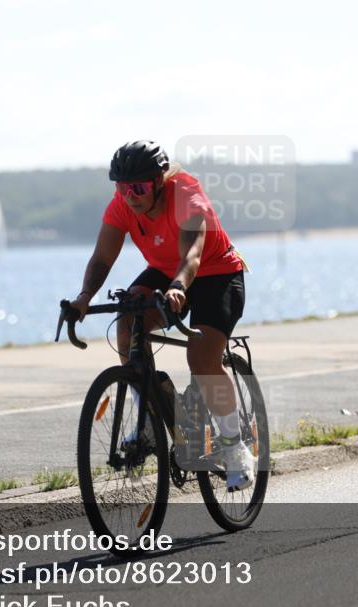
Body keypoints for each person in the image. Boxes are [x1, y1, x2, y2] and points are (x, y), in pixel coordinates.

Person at [70, 140, 255, 491]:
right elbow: (101, 259)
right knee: (127, 324)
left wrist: (179, 289)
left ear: (158, 182)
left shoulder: (187, 198)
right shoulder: (122, 205)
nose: (130, 196)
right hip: (163, 271)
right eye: (122, 188)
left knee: (201, 358)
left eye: (138, 188)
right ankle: (153, 418)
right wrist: (83, 298)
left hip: (215, 273)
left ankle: (234, 447)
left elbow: (192, 258)